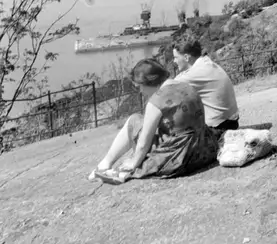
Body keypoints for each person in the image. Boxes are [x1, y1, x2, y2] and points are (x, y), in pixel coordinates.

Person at [90, 59, 219, 183]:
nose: (140, 91)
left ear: (148, 82)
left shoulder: (157, 100)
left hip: (178, 157)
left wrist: (134, 163)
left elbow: (143, 143)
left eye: (140, 86)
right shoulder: (187, 86)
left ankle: (104, 164)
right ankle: (105, 164)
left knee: (134, 120)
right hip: (203, 149)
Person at [171, 38, 240, 131]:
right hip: (231, 121)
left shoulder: (195, 73)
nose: (174, 61)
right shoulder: (206, 63)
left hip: (218, 128)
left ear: (186, 57)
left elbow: (167, 89)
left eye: (175, 57)